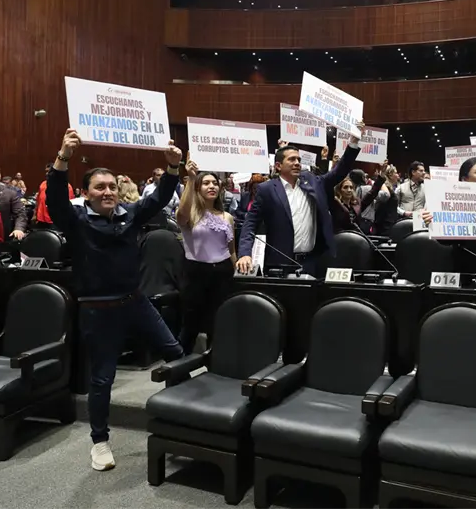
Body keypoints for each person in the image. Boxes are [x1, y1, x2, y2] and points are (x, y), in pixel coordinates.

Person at [46, 129, 184, 472]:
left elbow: (157, 200)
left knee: (176, 353)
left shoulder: (129, 215)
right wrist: (63, 156)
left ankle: (183, 420)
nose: (108, 192)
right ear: (86, 193)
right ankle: (100, 442)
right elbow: (54, 201)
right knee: (102, 379)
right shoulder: (75, 220)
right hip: (98, 310)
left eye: (111, 186)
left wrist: (172, 169)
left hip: (136, 303)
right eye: (99, 187)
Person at [237, 122, 364, 275]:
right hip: (280, 262)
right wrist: (245, 253)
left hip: (312, 261)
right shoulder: (267, 189)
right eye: (291, 160)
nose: (297, 163)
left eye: (298, 159)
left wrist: (353, 142)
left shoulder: (312, 181)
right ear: (278, 166)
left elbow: (339, 171)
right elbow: (250, 223)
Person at [176, 160, 236, 354]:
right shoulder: (191, 214)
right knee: (190, 326)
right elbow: (181, 214)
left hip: (223, 272)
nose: (211, 186)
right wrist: (191, 179)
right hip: (196, 273)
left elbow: (231, 249)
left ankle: (216, 368)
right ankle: (177, 370)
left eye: (215, 183)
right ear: (197, 188)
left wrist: (235, 273)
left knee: (218, 324)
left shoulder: (227, 217)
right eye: (206, 183)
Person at [360, 164, 401, 236]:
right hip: (384, 222)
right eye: (396, 173)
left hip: (390, 221)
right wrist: (382, 175)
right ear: (390, 175)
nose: (398, 175)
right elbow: (385, 196)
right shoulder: (384, 186)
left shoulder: (392, 187)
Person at [36, 163, 74, 229]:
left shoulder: (67, 187)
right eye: (46, 171)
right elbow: (38, 200)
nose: (46, 173)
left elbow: (69, 205)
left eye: (49, 171)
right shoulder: (43, 184)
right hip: (41, 219)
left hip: (54, 221)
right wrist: (35, 214)